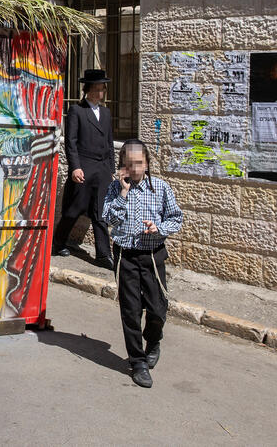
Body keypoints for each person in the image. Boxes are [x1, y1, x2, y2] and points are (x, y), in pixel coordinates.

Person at [102, 139, 183, 389]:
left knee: (158, 308)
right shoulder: (116, 189)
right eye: (129, 164)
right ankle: (137, 362)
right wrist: (123, 193)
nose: (135, 169)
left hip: (152, 256)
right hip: (126, 256)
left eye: (139, 163)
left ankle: (153, 340)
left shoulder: (160, 188)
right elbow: (108, 218)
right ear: (122, 166)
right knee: (131, 311)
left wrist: (158, 228)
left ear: (147, 163)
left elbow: (176, 218)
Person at [54, 68, 114, 269]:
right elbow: (70, 142)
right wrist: (75, 167)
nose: (100, 93)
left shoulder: (105, 113)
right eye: (96, 89)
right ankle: (58, 242)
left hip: (102, 169)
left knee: (100, 211)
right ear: (87, 89)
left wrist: (111, 168)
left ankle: (103, 254)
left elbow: (109, 141)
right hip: (84, 167)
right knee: (73, 209)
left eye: (102, 89)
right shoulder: (77, 111)